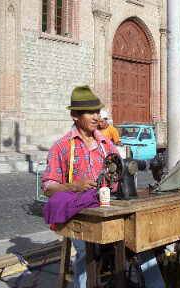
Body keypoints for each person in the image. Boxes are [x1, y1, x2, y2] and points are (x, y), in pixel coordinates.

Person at [42, 85, 119, 288]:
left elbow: (119, 172)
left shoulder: (106, 144)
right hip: (78, 215)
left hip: (107, 210)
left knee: (138, 242)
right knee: (87, 249)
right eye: (89, 112)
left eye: (97, 111)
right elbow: (48, 187)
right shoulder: (62, 147)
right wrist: (74, 186)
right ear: (75, 115)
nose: (96, 116)